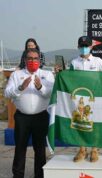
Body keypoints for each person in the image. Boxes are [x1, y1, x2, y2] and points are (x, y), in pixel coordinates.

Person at [5, 48, 54, 178]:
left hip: (40, 117)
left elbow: (51, 93)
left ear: (40, 60)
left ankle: (39, 175)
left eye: (35, 58)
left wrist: (40, 87)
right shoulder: (17, 75)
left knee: (40, 151)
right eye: (30, 58)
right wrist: (20, 88)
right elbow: (7, 93)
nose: (33, 61)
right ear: (25, 60)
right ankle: (18, 175)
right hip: (22, 118)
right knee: (20, 149)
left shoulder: (47, 75)